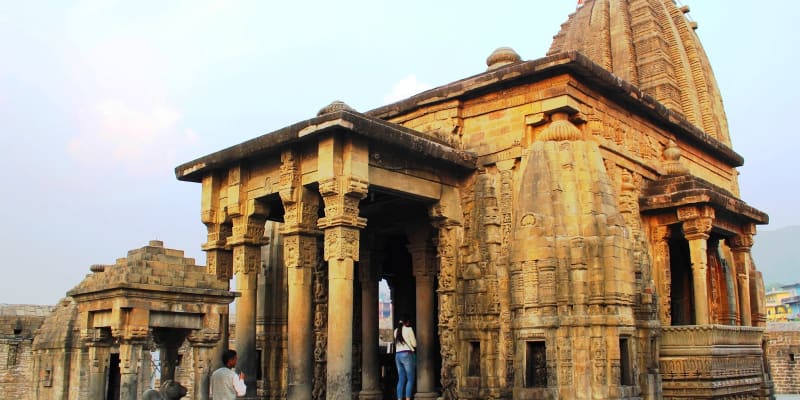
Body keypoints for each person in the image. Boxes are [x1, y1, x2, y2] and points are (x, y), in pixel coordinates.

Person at [394, 314, 417, 400]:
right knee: (410, 379)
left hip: (398, 355)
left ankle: (399, 399)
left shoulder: (396, 331)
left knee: (401, 379)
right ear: (407, 322)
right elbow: (414, 344)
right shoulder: (409, 329)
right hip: (407, 354)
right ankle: (407, 398)